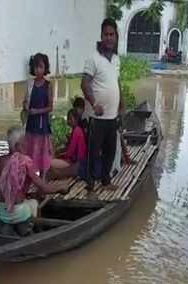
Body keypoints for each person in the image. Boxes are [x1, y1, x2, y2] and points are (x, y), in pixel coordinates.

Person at [0, 126, 67, 233]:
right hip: (18, 212)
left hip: (1, 211)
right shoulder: (25, 162)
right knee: (34, 203)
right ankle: (38, 232)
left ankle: (14, 227)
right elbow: (44, 188)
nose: (27, 145)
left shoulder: (0, 160)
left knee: (26, 202)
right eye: (24, 142)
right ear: (17, 146)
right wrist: (60, 188)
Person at [81, 18, 124, 191]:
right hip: (96, 117)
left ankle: (106, 181)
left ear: (115, 36)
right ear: (101, 36)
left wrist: (122, 103)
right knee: (93, 150)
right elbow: (84, 83)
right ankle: (90, 183)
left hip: (112, 116)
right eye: (105, 34)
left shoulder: (116, 59)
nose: (108, 37)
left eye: (111, 34)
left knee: (110, 150)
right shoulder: (93, 59)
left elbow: (116, 82)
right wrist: (93, 103)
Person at [23, 53, 53, 181]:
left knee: (42, 151)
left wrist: (37, 111)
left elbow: (50, 107)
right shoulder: (30, 84)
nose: (38, 70)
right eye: (35, 67)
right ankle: (31, 177)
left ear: (45, 68)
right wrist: (25, 106)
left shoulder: (48, 85)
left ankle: (43, 178)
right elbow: (26, 100)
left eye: (40, 67)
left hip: (42, 123)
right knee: (30, 149)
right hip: (31, 123)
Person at [50, 109, 88, 179]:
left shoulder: (77, 131)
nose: (68, 121)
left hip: (75, 163)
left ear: (75, 119)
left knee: (49, 163)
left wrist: (59, 155)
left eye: (70, 118)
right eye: (68, 118)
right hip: (76, 161)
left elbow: (70, 153)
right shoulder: (76, 130)